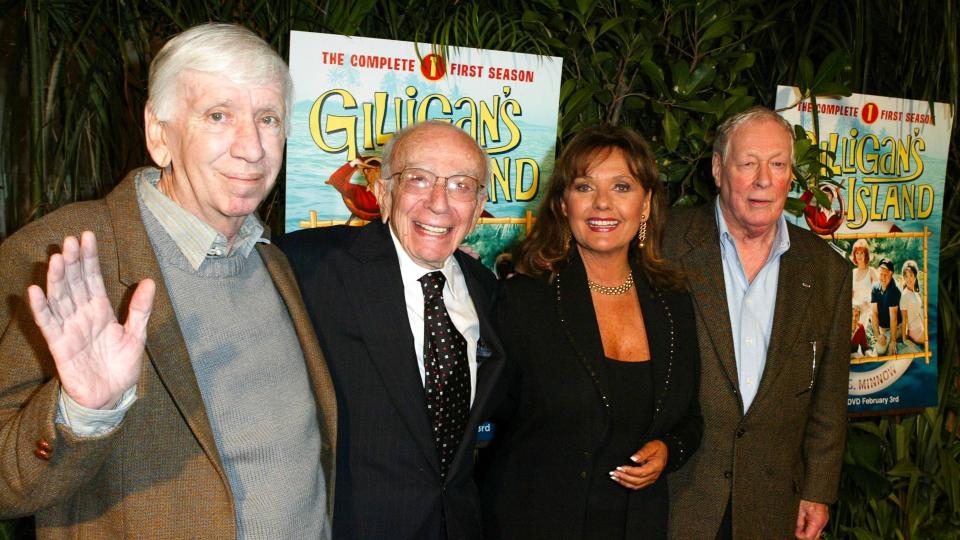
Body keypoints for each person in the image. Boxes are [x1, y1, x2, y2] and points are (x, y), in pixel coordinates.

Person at [0, 24, 336, 539]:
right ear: (160, 134)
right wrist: (83, 412)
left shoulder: (271, 262)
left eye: (267, 119)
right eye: (218, 116)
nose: (251, 148)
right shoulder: (58, 256)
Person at [279, 120, 503, 540]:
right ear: (383, 193)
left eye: (460, 185)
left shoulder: (486, 289)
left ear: (477, 208)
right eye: (418, 179)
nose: (439, 203)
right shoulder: (308, 267)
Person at [480, 125, 702, 539]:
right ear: (564, 204)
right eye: (585, 187)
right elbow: (486, 416)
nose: (602, 204)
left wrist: (671, 450)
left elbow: (691, 417)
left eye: (621, 186)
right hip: (532, 522)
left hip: (637, 525)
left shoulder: (672, 302)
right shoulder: (524, 300)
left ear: (647, 204)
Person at [664, 106, 851, 540]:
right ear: (717, 168)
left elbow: (828, 395)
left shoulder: (827, 272)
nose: (764, 179)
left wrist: (818, 490)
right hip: (678, 496)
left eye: (778, 164)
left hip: (774, 504)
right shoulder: (664, 242)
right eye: (748, 163)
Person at [871, 257, 901, 356]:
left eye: (886, 275)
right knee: (880, 348)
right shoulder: (875, 288)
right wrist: (877, 335)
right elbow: (874, 313)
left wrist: (893, 341)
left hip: (896, 327)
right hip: (882, 329)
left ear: (891, 274)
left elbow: (894, 318)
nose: (883, 278)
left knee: (884, 349)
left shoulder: (894, 290)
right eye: (881, 274)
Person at [850, 238, 879, 328]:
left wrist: (870, 303)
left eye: (862, 253)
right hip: (854, 310)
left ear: (866, 255)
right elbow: (851, 294)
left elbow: (880, 291)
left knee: (859, 331)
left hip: (866, 309)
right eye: (857, 253)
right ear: (854, 255)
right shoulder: (853, 272)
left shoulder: (871, 271)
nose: (859, 255)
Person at [899, 260, 925, 348]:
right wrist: (904, 339)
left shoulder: (916, 292)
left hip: (921, 327)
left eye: (911, 275)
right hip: (915, 331)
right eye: (906, 276)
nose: (908, 279)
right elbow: (904, 319)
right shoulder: (905, 295)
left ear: (915, 276)